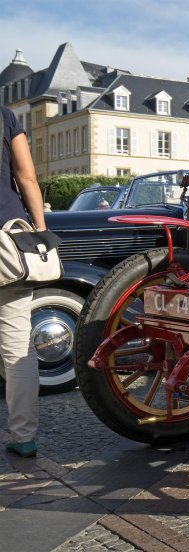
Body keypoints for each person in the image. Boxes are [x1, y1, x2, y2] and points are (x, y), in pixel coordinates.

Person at [1, 105, 46, 458]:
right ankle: (23, 435)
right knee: (18, 343)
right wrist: (41, 232)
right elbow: (26, 176)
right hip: (8, 236)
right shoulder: (5, 115)